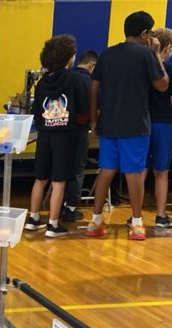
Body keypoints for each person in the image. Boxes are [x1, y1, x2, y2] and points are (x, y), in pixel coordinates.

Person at [85, 11, 168, 241]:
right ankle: (138, 223)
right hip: (136, 124)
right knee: (134, 172)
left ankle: (95, 221)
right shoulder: (146, 54)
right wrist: (156, 54)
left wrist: (94, 119)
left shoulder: (107, 54)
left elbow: (94, 88)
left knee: (106, 170)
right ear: (144, 33)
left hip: (108, 122)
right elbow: (163, 85)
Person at [25, 35, 88, 238]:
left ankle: (33, 218)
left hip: (45, 135)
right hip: (65, 136)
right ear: (69, 57)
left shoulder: (42, 82)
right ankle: (53, 224)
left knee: (40, 178)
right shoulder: (76, 79)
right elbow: (83, 108)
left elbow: (36, 110)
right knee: (59, 181)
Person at [146, 28, 172, 228]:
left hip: (142, 124)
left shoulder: (142, 68)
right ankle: (160, 215)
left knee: (140, 171)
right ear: (167, 47)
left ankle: (137, 216)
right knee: (162, 172)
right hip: (164, 125)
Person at [61, 50, 97, 223]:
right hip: (79, 129)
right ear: (92, 65)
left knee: (60, 170)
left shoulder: (64, 77)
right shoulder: (89, 81)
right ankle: (71, 208)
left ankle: (57, 206)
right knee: (77, 170)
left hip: (59, 130)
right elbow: (90, 108)